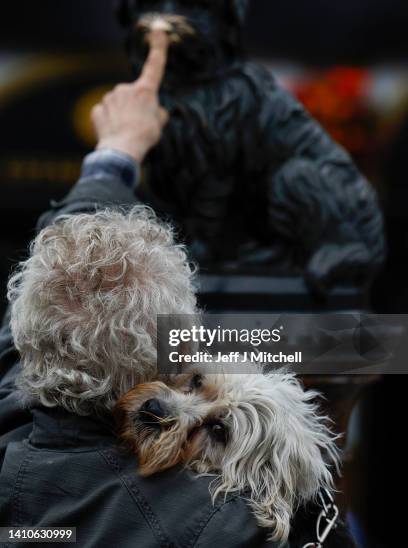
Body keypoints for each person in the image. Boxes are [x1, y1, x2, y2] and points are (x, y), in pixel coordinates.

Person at [0, 30, 278, 547]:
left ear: (26, 336)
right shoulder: (219, 526)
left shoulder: (13, 389)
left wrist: (116, 151)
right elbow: (354, 344)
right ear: (170, 365)